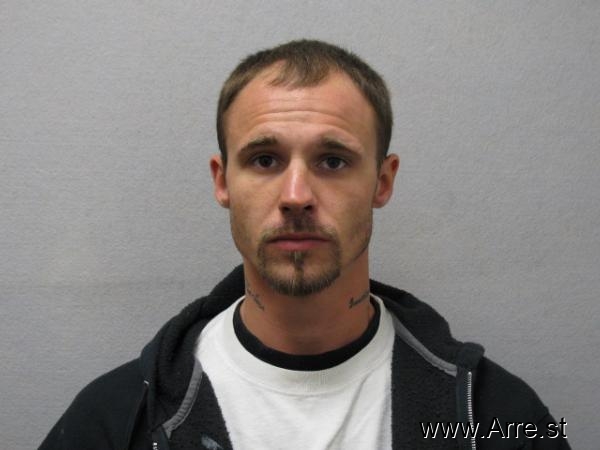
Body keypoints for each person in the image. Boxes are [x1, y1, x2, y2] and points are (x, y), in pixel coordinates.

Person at [40, 39, 570, 450]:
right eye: (265, 160)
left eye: (332, 161)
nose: (296, 196)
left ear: (382, 181)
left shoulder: (497, 417)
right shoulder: (113, 422)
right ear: (223, 182)